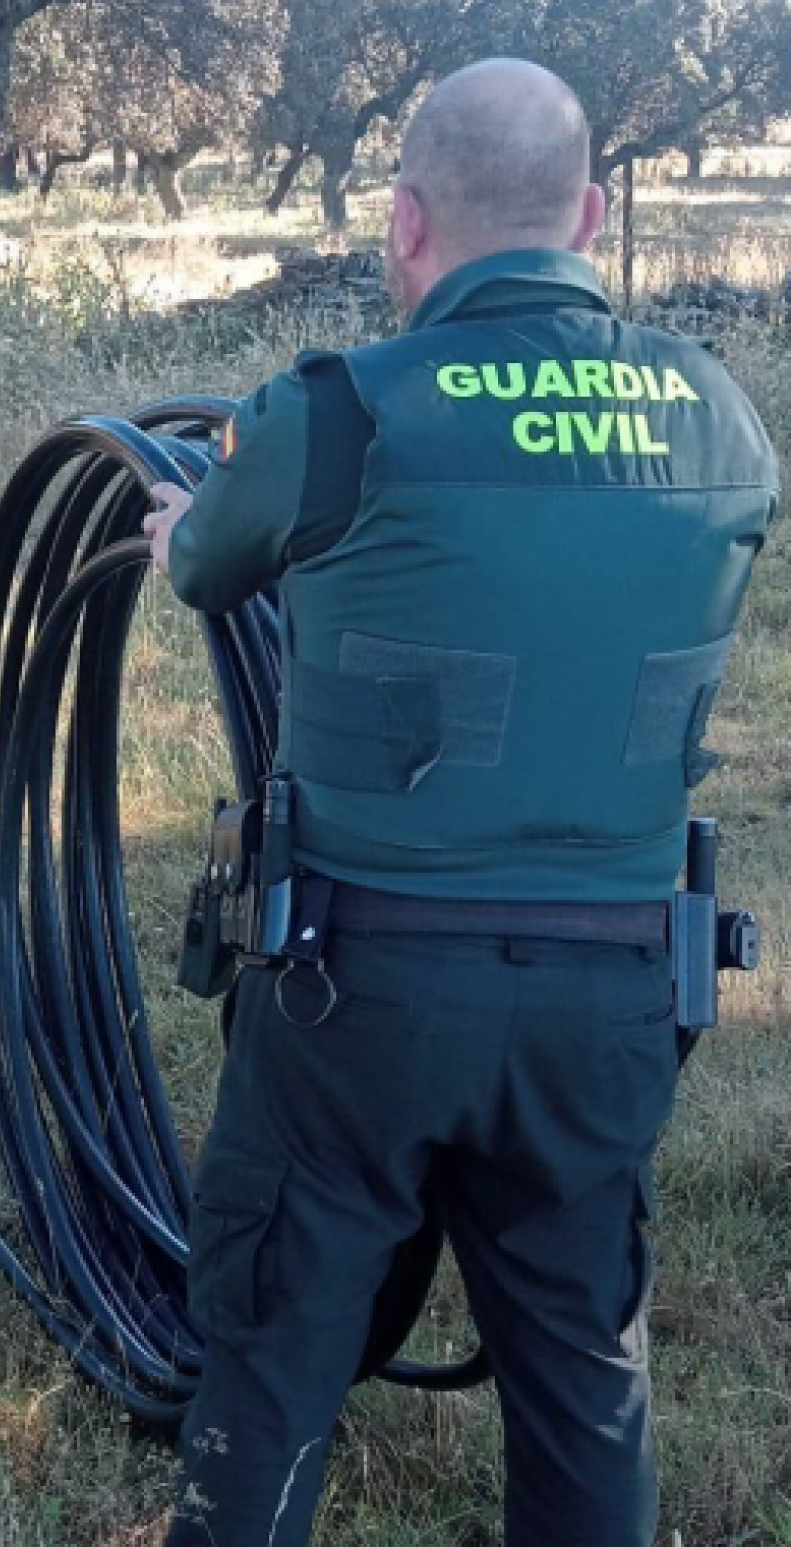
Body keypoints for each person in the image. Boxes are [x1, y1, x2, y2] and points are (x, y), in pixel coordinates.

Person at [141, 58, 779, 1547]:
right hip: (612, 993)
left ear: (405, 223)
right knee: (579, 1370)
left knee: (277, 1353)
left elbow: (203, 564)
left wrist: (187, 517)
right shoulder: (720, 416)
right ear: (593, 213)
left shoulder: (336, 410)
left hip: (355, 994)